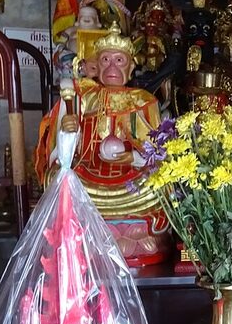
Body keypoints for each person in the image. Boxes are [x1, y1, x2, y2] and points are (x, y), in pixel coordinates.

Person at [35, 24, 167, 261]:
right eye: (105, 60)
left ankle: (109, 233)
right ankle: (113, 234)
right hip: (89, 172)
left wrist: (134, 157)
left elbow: (156, 150)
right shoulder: (83, 97)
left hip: (131, 176)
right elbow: (64, 152)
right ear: (97, 65)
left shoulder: (144, 101)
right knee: (58, 178)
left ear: (131, 66)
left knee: (160, 184)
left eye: (119, 60)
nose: (112, 66)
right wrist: (67, 130)